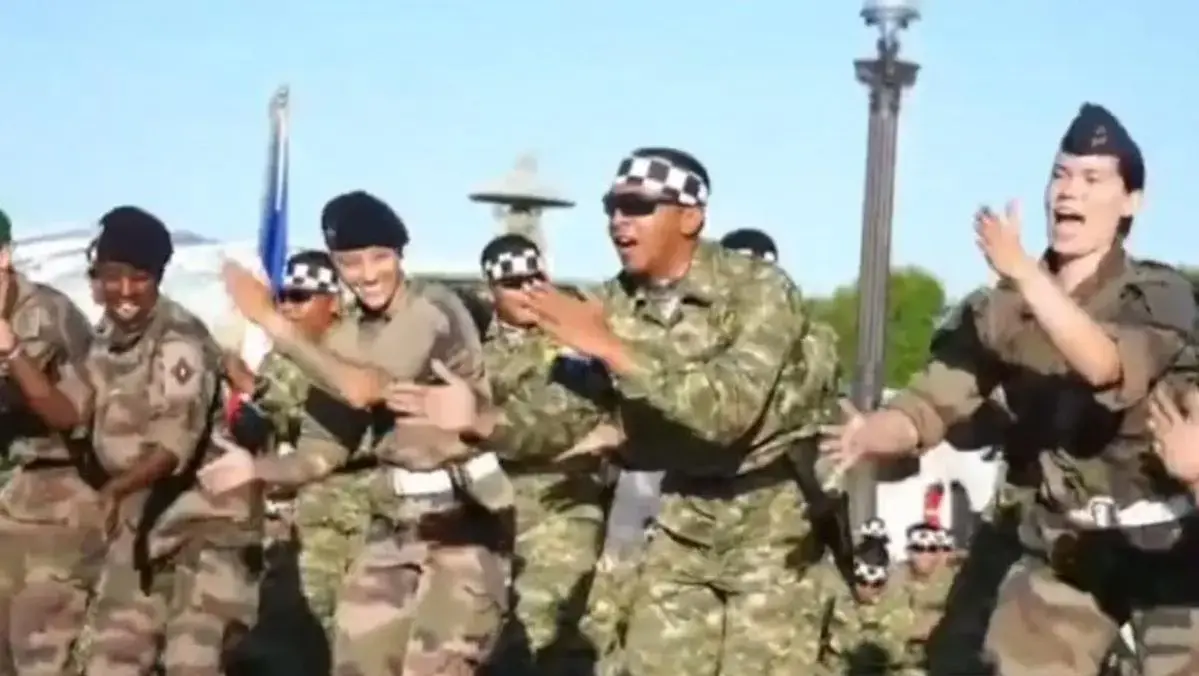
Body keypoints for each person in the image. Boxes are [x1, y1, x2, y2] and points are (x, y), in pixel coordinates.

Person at [397, 148, 837, 674]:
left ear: (690, 217)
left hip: (775, 523)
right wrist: (481, 420)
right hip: (684, 520)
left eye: (637, 206)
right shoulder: (611, 303)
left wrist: (609, 347)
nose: (618, 221)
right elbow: (566, 412)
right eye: (612, 207)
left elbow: (728, 411)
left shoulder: (758, 288)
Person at [822, 103, 1199, 675]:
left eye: (1092, 178)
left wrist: (1025, 273)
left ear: (1131, 202)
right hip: (1067, 544)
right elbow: (932, 403)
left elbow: (1105, 367)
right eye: (1060, 174)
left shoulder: (1157, 294)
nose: (1069, 191)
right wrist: (875, 431)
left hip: (1170, 541)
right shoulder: (1001, 310)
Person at [205, 190, 514, 674]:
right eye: (351, 262)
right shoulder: (346, 338)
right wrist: (257, 468)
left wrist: (271, 321)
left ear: (400, 254)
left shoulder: (434, 308)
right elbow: (321, 453)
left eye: (380, 257)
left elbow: (363, 388)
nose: (368, 274)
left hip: (464, 525)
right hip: (394, 524)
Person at [81, 206, 262, 674]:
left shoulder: (179, 339)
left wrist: (115, 490)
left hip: (206, 524)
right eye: (113, 276)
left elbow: (172, 445)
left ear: (159, 277)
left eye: (139, 278)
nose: (125, 291)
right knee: (111, 660)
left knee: (193, 660)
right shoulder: (103, 337)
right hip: (142, 521)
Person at [475, 233, 616, 674]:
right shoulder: (473, 351)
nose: (526, 292)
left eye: (534, 280)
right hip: (489, 504)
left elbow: (573, 416)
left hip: (563, 502)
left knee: (538, 626)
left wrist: (485, 426)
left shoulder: (572, 339)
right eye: (512, 284)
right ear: (491, 290)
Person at [0, 208, 101, 675]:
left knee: (39, 645)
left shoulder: (42, 316)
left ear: (4, 257)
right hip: (23, 489)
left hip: (71, 490)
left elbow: (27, 399)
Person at [817, 537, 923, 674]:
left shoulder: (896, 603)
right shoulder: (834, 598)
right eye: (862, 581)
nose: (868, 590)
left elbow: (893, 649)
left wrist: (846, 639)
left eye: (877, 584)